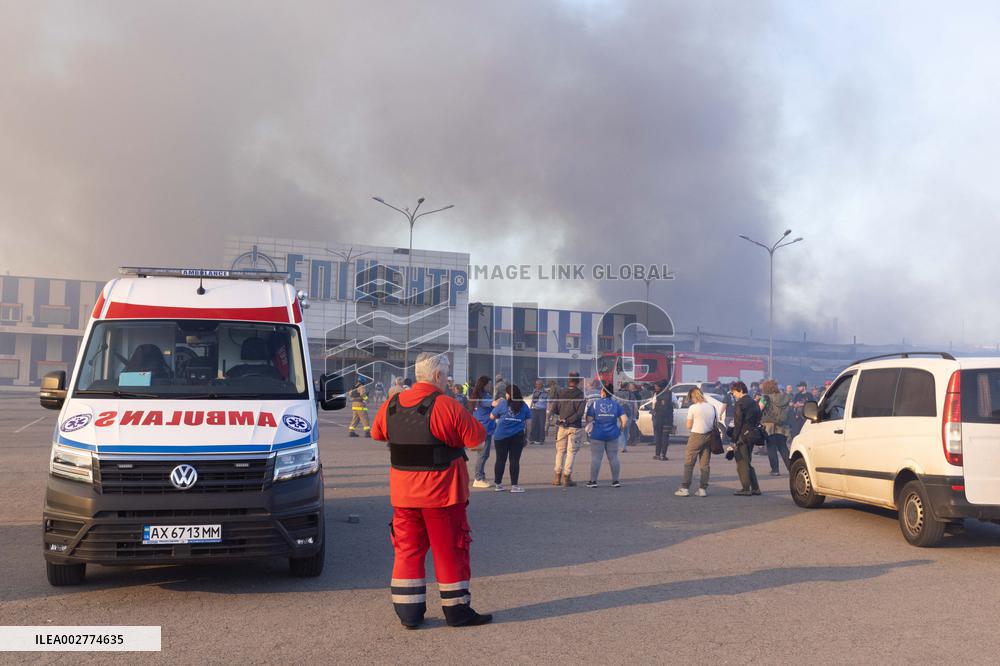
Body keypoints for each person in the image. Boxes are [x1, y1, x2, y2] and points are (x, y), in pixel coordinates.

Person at [369, 352, 493, 629]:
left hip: (403, 496)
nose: (447, 380)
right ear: (438, 375)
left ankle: (409, 614)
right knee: (449, 552)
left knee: (407, 552)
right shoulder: (446, 405)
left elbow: (377, 434)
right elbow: (477, 440)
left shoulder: (392, 404)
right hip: (442, 496)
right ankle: (457, 611)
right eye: (446, 375)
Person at [674, 387, 717, 497]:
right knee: (705, 464)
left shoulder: (693, 408)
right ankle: (702, 489)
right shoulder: (712, 407)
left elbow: (689, 425)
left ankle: (685, 488)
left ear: (693, 397)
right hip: (709, 436)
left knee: (689, 463)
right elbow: (714, 423)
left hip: (696, 435)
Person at [490, 385, 531, 492]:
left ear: (509, 394)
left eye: (506, 393)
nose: (505, 395)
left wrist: (501, 416)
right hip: (517, 436)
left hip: (501, 435)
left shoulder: (503, 403)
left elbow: (491, 416)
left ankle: (498, 485)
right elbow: (528, 423)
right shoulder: (524, 405)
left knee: (500, 460)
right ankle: (514, 486)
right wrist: (527, 437)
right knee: (514, 461)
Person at [585, 383, 627, 488]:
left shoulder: (595, 404)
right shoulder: (616, 405)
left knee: (596, 458)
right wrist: (621, 430)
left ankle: (593, 481)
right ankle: (615, 481)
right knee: (613, 458)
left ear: (603, 392)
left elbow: (589, 419)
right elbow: (624, 419)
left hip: (597, 434)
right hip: (612, 434)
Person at [551, 372, 586, 487]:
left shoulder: (560, 392)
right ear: (578, 382)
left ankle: (557, 477)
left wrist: (563, 418)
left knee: (560, 451)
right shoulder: (581, 395)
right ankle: (567, 477)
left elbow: (554, 409)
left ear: (568, 381)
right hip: (575, 426)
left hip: (562, 425)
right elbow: (580, 413)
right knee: (571, 452)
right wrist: (569, 420)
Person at [728, 381, 761, 496]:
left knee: (742, 463)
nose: (733, 395)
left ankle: (746, 488)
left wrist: (733, 440)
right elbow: (759, 418)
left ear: (740, 390)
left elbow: (738, 424)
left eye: (734, 392)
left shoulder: (740, 403)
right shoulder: (754, 402)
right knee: (748, 462)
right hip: (752, 435)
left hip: (742, 436)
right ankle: (755, 488)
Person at [468, 376, 495, 489]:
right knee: (483, 455)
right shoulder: (483, 397)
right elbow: (494, 404)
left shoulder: (480, 396)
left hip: (483, 427)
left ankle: (481, 477)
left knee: (483, 454)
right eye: (489, 384)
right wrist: (503, 400)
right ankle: (478, 478)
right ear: (484, 385)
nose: (491, 386)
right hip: (484, 428)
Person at [760, 379, 791, 476]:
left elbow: (759, 409)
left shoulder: (765, 397)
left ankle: (775, 470)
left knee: (771, 448)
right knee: (783, 447)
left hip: (769, 426)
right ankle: (792, 469)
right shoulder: (784, 397)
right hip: (782, 426)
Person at [651, 380, 674, 461]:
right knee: (665, 437)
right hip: (668, 418)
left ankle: (657, 454)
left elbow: (653, 405)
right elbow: (677, 404)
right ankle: (663, 455)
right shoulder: (671, 394)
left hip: (658, 418)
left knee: (658, 436)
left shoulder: (656, 394)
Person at [527, 379, 549, 445]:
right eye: (536, 384)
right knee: (533, 425)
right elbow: (533, 400)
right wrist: (530, 408)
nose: (537, 385)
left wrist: (548, 410)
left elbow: (548, 402)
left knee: (541, 425)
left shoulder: (545, 392)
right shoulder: (535, 391)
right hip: (534, 409)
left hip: (542, 410)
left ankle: (541, 439)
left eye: (539, 384)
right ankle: (532, 439)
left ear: (541, 385)